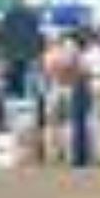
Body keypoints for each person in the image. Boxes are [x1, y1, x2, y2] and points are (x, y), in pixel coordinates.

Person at [41, 34, 83, 166]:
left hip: (55, 87)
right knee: (68, 122)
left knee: (52, 122)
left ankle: (53, 153)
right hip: (68, 87)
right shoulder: (69, 55)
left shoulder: (49, 55)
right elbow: (78, 71)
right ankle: (69, 154)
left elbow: (47, 72)